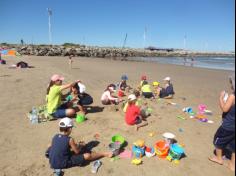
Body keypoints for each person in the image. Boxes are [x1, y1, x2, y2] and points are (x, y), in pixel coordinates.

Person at [46, 117, 113, 170]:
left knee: (51, 145)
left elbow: (61, 145)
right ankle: (104, 154)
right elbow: (77, 152)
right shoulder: (70, 139)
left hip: (52, 162)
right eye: (71, 128)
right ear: (69, 129)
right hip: (62, 163)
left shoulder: (55, 136)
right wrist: (80, 146)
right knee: (87, 155)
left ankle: (48, 154)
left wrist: (76, 145)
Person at [209, 74, 235, 172]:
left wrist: (221, 98)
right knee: (233, 145)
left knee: (218, 140)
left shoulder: (232, 96)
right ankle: (233, 165)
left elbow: (225, 109)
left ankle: (219, 159)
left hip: (227, 126)